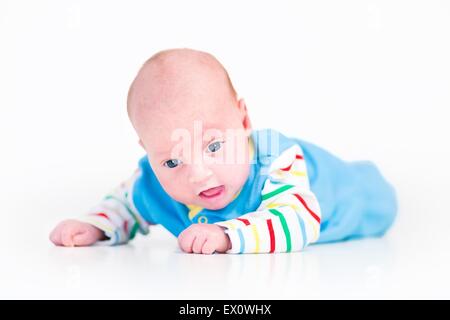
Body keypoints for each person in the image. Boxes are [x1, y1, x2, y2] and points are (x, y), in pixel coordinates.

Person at [49, 48, 397, 254]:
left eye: (214, 146)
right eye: (172, 160)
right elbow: (125, 203)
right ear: (149, 151)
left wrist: (227, 235)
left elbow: (299, 220)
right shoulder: (154, 180)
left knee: (377, 200)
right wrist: (94, 226)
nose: (198, 174)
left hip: (353, 196)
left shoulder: (276, 159)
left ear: (244, 120)